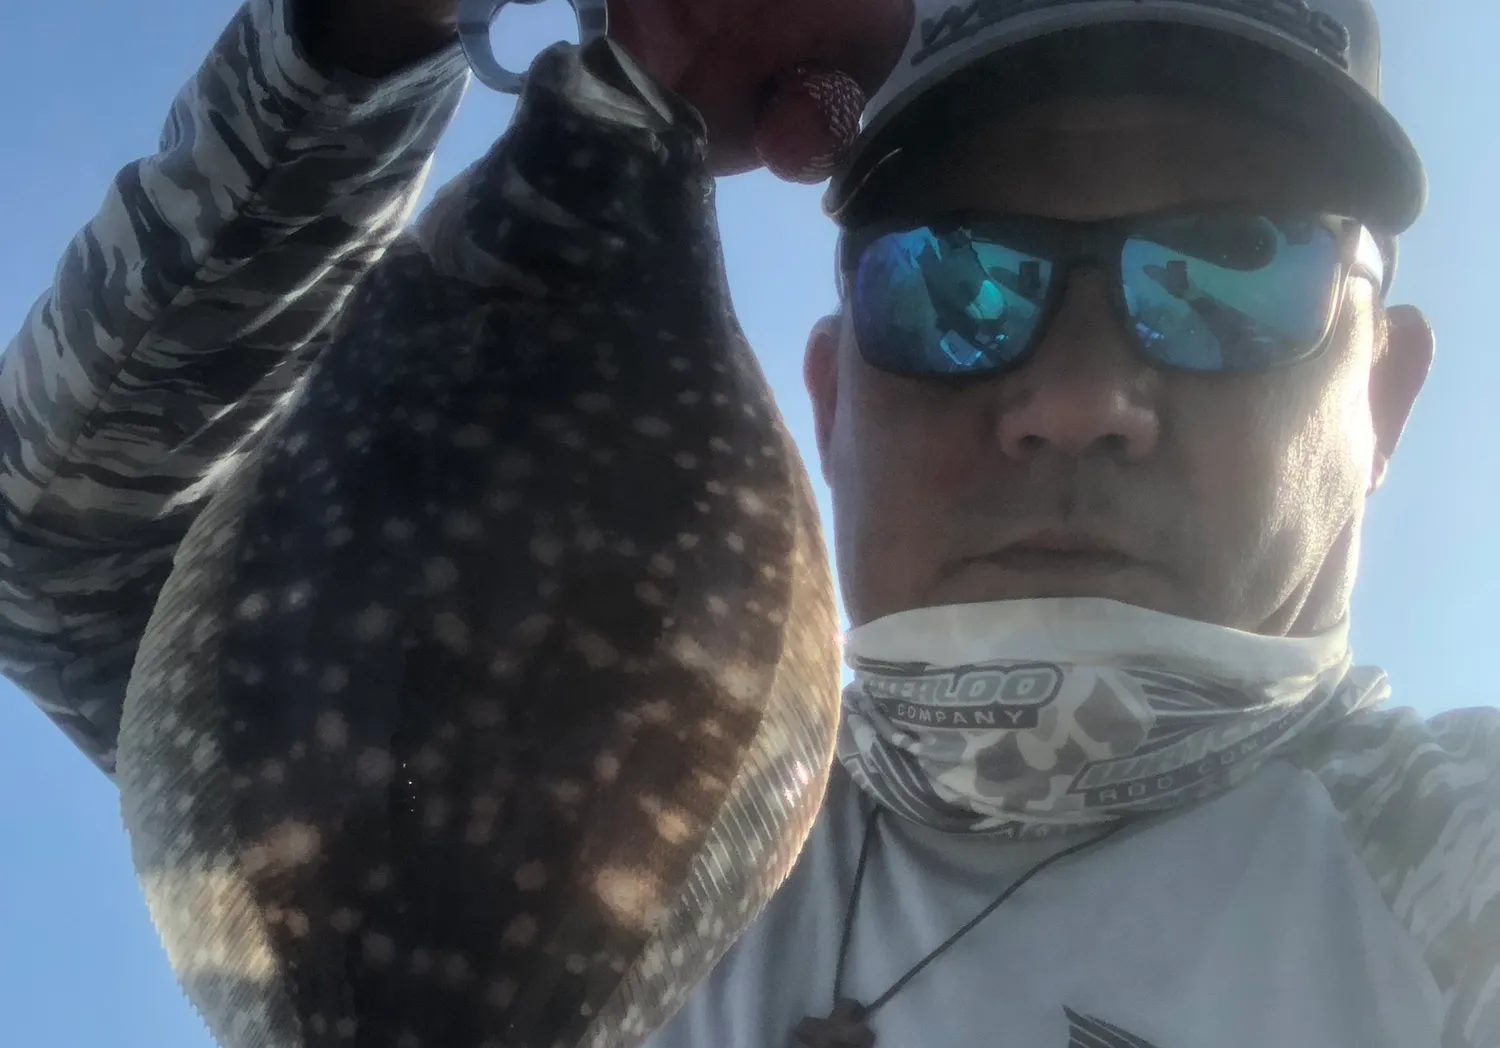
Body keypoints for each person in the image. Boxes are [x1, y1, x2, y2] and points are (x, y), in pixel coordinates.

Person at [1, 0, 1493, 1045]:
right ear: (829, 403)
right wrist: (372, 32)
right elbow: (52, 538)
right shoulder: (616, 748)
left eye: (1233, 273)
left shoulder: (1450, 878)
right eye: (953, 284)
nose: (1080, 394)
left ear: (1386, 398)